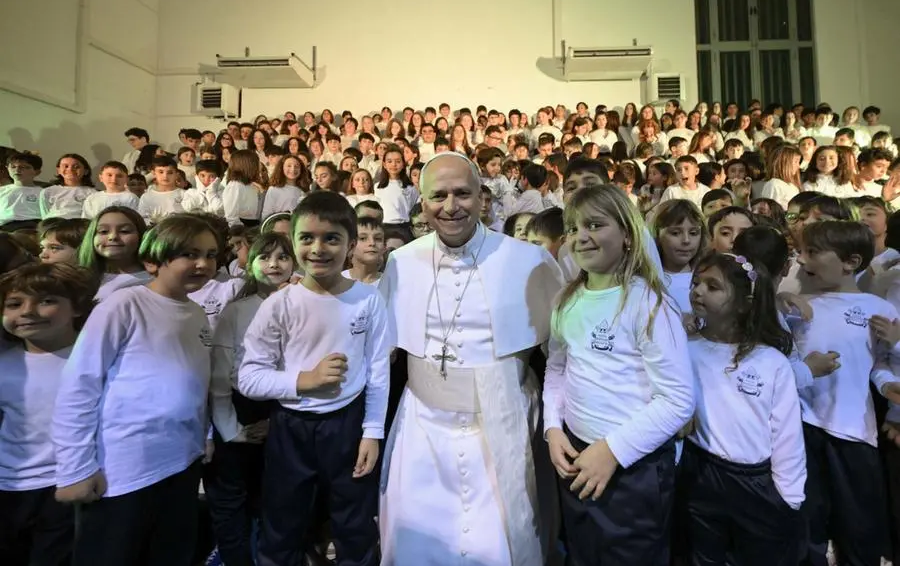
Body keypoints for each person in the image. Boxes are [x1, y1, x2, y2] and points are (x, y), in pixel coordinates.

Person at [378, 152, 565, 566]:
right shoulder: (402, 261)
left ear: (483, 197)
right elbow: (381, 351)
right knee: (418, 542)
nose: (451, 206)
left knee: (499, 543)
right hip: (423, 425)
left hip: (504, 422)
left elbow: (562, 359)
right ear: (422, 203)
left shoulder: (529, 260)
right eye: (438, 195)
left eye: (463, 193)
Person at [52, 214, 219, 566]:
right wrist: (75, 468)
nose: (203, 263)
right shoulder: (124, 305)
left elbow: (196, 382)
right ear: (153, 261)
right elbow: (79, 385)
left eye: (211, 254)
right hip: (125, 469)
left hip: (182, 462)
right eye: (189, 253)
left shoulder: (198, 313)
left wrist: (203, 434)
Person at [543, 184, 693, 563]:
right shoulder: (567, 299)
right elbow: (558, 368)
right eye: (574, 228)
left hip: (632, 466)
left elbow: (678, 401)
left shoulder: (649, 303)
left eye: (595, 224)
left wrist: (612, 451)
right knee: (584, 553)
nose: (581, 237)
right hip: (578, 453)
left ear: (627, 234)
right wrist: (553, 427)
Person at [237, 191, 389, 566]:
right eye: (307, 238)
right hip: (292, 427)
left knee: (355, 524)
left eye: (331, 238)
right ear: (293, 242)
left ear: (351, 245)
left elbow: (378, 370)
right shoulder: (279, 304)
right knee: (283, 522)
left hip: (348, 425)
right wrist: (303, 381)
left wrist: (372, 431)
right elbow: (248, 377)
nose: (318, 248)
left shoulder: (368, 300)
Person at [679, 252, 806, 564]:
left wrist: (790, 496)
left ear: (745, 302)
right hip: (699, 472)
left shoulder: (771, 362)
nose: (698, 290)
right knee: (702, 554)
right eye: (696, 282)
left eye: (713, 286)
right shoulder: (684, 350)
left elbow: (787, 432)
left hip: (754, 481)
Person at [791, 220, 900, 564]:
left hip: (854, 430)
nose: (803, 259)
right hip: (804, 428)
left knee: (859, 526)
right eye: (802, 251)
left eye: (813, 252)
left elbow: (879, 364)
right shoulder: (797, 306)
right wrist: (781, 302)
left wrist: (887, 383)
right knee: (808, 522)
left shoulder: (879, 308)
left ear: (851, 261)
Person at [0, 262, 97, 566]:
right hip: (9, 486)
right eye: (14, 304)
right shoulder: (4, 363)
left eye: (46, 300)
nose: (27, 311)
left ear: (77, 307)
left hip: (67, 484)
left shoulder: (94, 357)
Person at [207, 232, 294, 566]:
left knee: (275, 500)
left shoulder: (302, 304)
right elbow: (219, 378)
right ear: (250, 262)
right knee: (232, 502)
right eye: (265, 257)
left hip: (284, 412)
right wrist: (232, 430)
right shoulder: (236, 310)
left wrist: (279, 421)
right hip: (238, 412)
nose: (274, 264)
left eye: (282, 257)